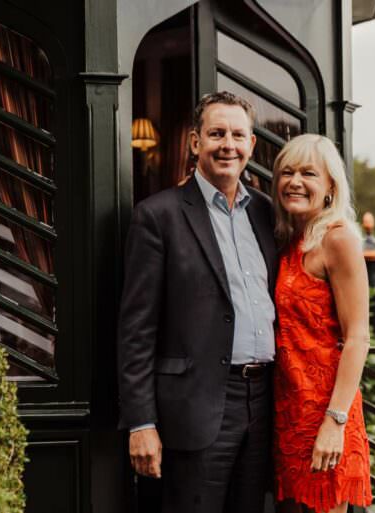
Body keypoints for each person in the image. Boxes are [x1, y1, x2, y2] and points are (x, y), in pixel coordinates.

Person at [117, 91, 278, 513]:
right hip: (194, 406)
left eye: (238, 135)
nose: (229, 145)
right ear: (194, 142)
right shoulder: (158, 215)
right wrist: (141, 422)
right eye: (217, 133)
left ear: (252, 145)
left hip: (264, 403)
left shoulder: (265, 212)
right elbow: (136, 329)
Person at [271, 134, 372, 513]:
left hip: (325, 414)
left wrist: (335, 422)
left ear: (330, 185)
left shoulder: (338, 239)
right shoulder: (289, 240)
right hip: (287, 413)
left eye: (308, 173)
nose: (295, 182)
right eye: (287, 172)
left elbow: (358, 337)